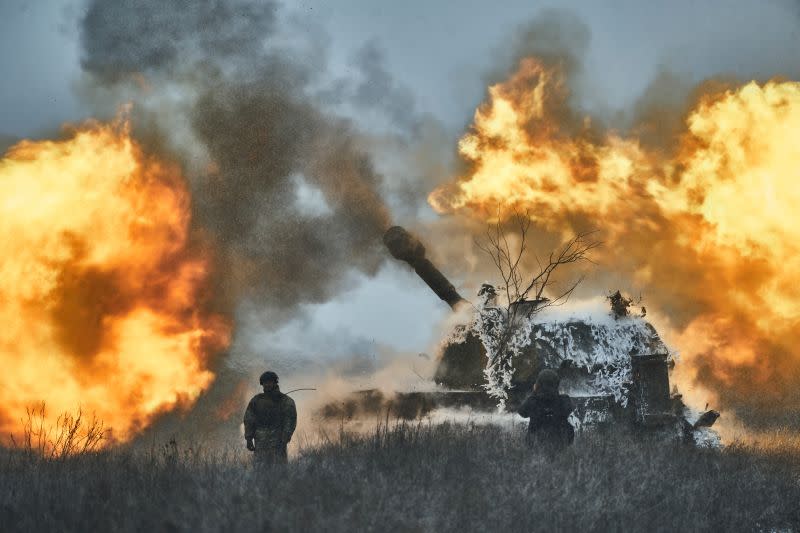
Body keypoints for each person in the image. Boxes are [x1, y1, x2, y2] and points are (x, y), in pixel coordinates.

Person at [243, 371, 297, 464]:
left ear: (275, 383)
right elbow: (249, 419)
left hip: (278, 442)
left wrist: (285, 437)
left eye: (270, 382)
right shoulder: (256, 400)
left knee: (279, 471)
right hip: (260, 442)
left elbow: (290, 420)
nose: (267, 384)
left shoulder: (285, 401)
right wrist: (249, 439)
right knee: (260, 470)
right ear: (262, 384)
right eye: (265, 382)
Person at [517, 368, 574, 451]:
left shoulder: (532, 401)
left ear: (539, 384)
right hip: (560, 444)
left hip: (536, 445)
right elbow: (570, 409)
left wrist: (535, 392)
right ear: (556, 384)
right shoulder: (564, 400)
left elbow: (522, 412)